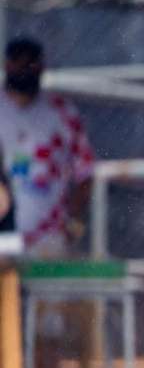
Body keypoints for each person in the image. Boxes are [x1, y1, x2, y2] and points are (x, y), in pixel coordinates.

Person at [0, 38, 94, 256]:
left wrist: (74, 221)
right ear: (7, 65)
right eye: (17, 62)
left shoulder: (61, 112)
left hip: (48, 233)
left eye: (29, 63)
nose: (23, 70)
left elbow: (85, 172)